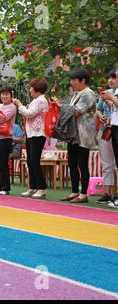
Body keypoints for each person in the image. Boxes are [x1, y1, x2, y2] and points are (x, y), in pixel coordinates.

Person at [59, 70, 97, 204]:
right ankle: (75, 191)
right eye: (72, 80)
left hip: (83, 134)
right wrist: (64, 108)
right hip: (73, 134)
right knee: (72, 163)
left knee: (82, 163)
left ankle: (83, 193)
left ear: (83, 81)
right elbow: (71, 110)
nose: (72, 82)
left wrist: (60, 107)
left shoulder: (88, 93)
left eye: (74, 80)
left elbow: (77, 111)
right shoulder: (77, 94)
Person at [14, 77, 49, 199]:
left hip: (38, 134)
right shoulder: (37, 100)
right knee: (30, 161)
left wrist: (19, 105)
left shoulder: (40, 101)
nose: (30, 90)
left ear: (37, 90)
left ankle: (41, 188)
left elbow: (29, 114)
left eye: (31, 88)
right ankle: (32, 187)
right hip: (32, 133)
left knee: (34, 161)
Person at [100, 70, 118, 207]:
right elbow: (99, 109)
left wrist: (110, 99)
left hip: (114, 128)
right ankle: (108, 193)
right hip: (108, 129)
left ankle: (114, 194)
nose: (112, 80)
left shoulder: (112, 94)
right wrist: (102, 116)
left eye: (115, 77)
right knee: (109, 163)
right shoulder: (108, 93)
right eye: (110, 77)